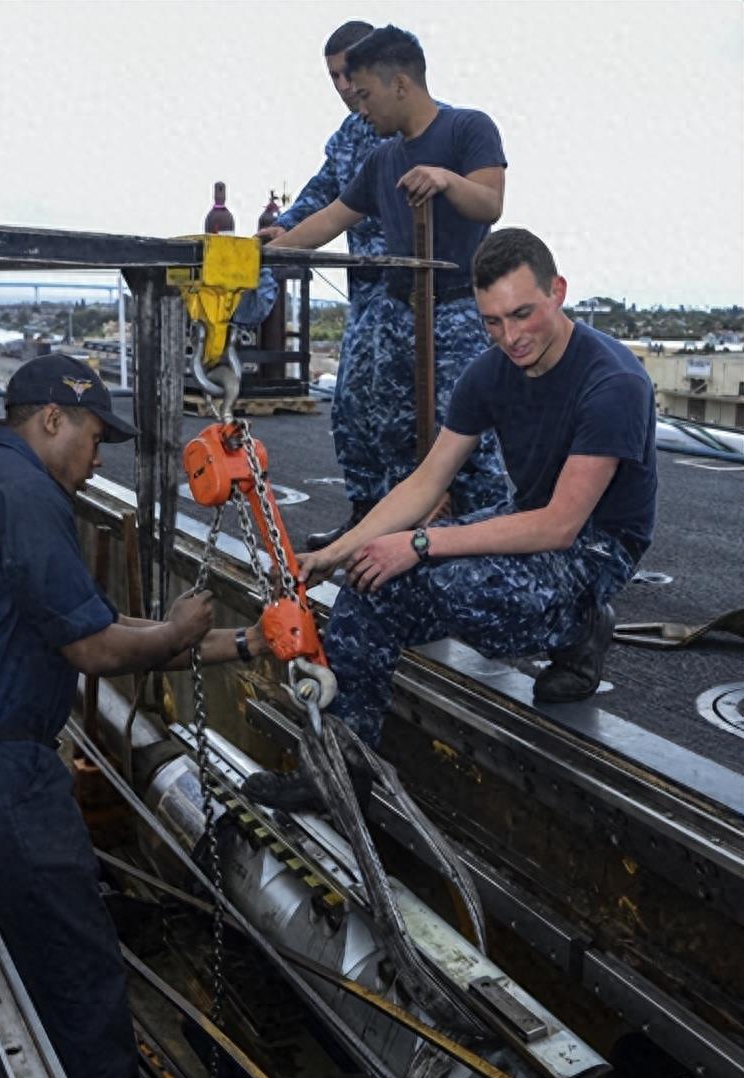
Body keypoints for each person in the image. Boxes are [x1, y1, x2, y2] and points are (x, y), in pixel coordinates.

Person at [0, 354, 267, 1078]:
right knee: (85, 993)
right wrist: (179, 627)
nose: (98, 458)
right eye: (95, 437)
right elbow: (100, 650)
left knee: (44, 977)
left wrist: (242, 644)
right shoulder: (27, 497)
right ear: (52, 419)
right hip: (0, 780)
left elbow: (100, 625)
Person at [246, 229, 656, 803]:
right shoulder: (490, 372)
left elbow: (560, 525)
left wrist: (419, 544)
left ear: (558, 291)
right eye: (493, 321)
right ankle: (338, 773)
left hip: (595, 545)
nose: (510, 337)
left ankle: (579, 623)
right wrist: (334, 556)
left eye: (522, 314)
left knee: (465, 595)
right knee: (369, 581)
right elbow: (426, 482)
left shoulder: (613, 383)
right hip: (528, 514)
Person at [268, 24, 510, 539]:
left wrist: (446, 179)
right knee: (394, 436)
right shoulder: (381, 157)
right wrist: (259, 256)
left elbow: (490, 202)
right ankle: (397, 547)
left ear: (399, 84)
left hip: (456, 313)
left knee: (467, 442)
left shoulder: (468, 127)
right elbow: (330, 217)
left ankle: (484, 549)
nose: (359, 107)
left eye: (365, 94)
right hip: (396, 315)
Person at [258, 18, 388, 549]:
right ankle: (365, 516)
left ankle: (429, 531)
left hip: (425, 302)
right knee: (352, 408)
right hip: (368, 298)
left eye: (348, 72)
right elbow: (321, 192)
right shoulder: (349, 137)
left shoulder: (419, 126)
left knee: (423, 422)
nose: (343, 86)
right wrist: (283, 229)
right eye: (333, 76)